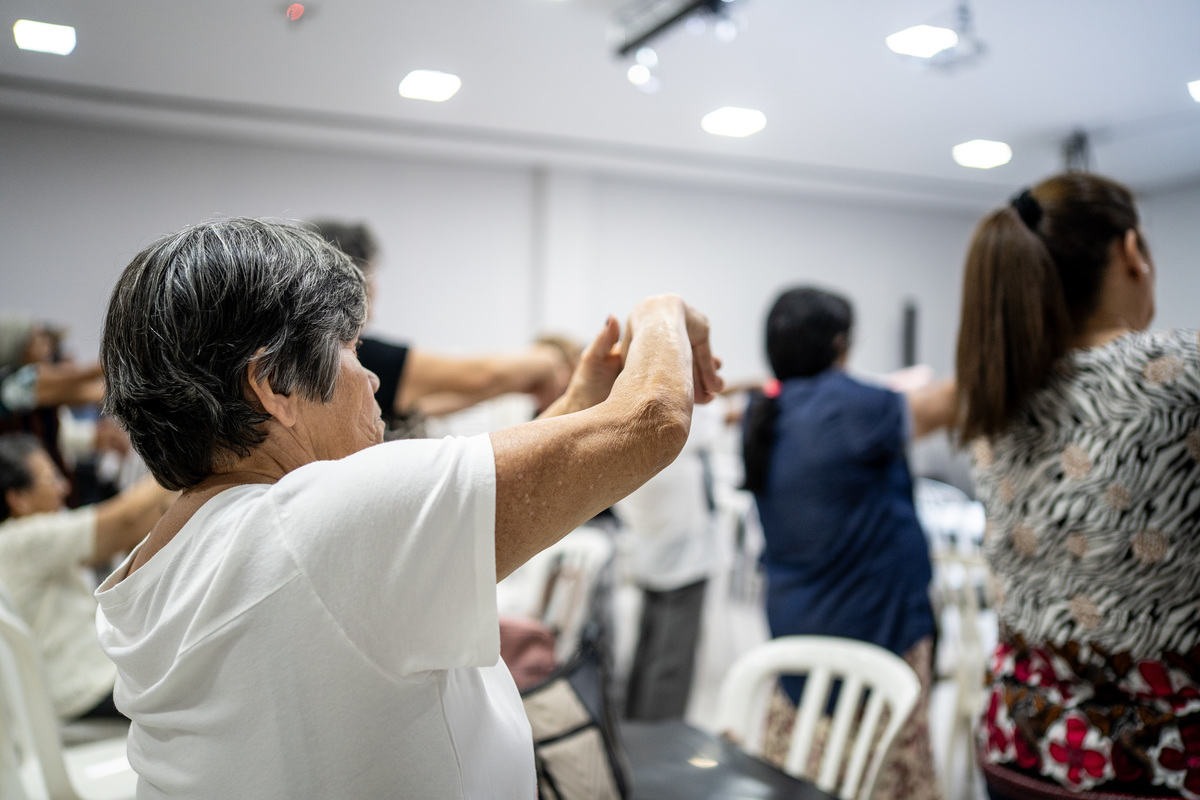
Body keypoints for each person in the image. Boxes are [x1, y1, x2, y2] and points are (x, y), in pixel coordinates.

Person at [96, 218, 722, 798]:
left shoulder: (178, 551)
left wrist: (576, 408)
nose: (372, 381)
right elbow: (652, 420)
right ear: (276, 385)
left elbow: (440, 530)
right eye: (352, 352)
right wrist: (660, 315)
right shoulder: (313, 527)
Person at [957, 173, 1200, 799]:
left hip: (1021, 744)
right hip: (1158, 761)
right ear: (1130, 253)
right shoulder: (1181, 375)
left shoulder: (995, 389)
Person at [741, 286, 952, 800]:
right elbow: (949, 404)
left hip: (797, 624)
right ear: (840, 344)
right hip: (874, 625)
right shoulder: (852, 407)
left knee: (806, 773)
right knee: (884, 776)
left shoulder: (764, 409)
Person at [309, 220, 572, 435]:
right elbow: (482, 375)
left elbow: (423, 405)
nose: (375, 290)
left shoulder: (327, 355)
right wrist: (548, 362)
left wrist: (514, 386)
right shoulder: (362, 357)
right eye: (372, 276)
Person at [0, 433, 172, 720]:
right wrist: (190, 456)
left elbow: (135, 521)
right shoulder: (23, 540)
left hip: (78, 685)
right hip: (83, 691)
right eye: (50, 479)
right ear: (18, 499)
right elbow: (124, 521)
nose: (63, 487)